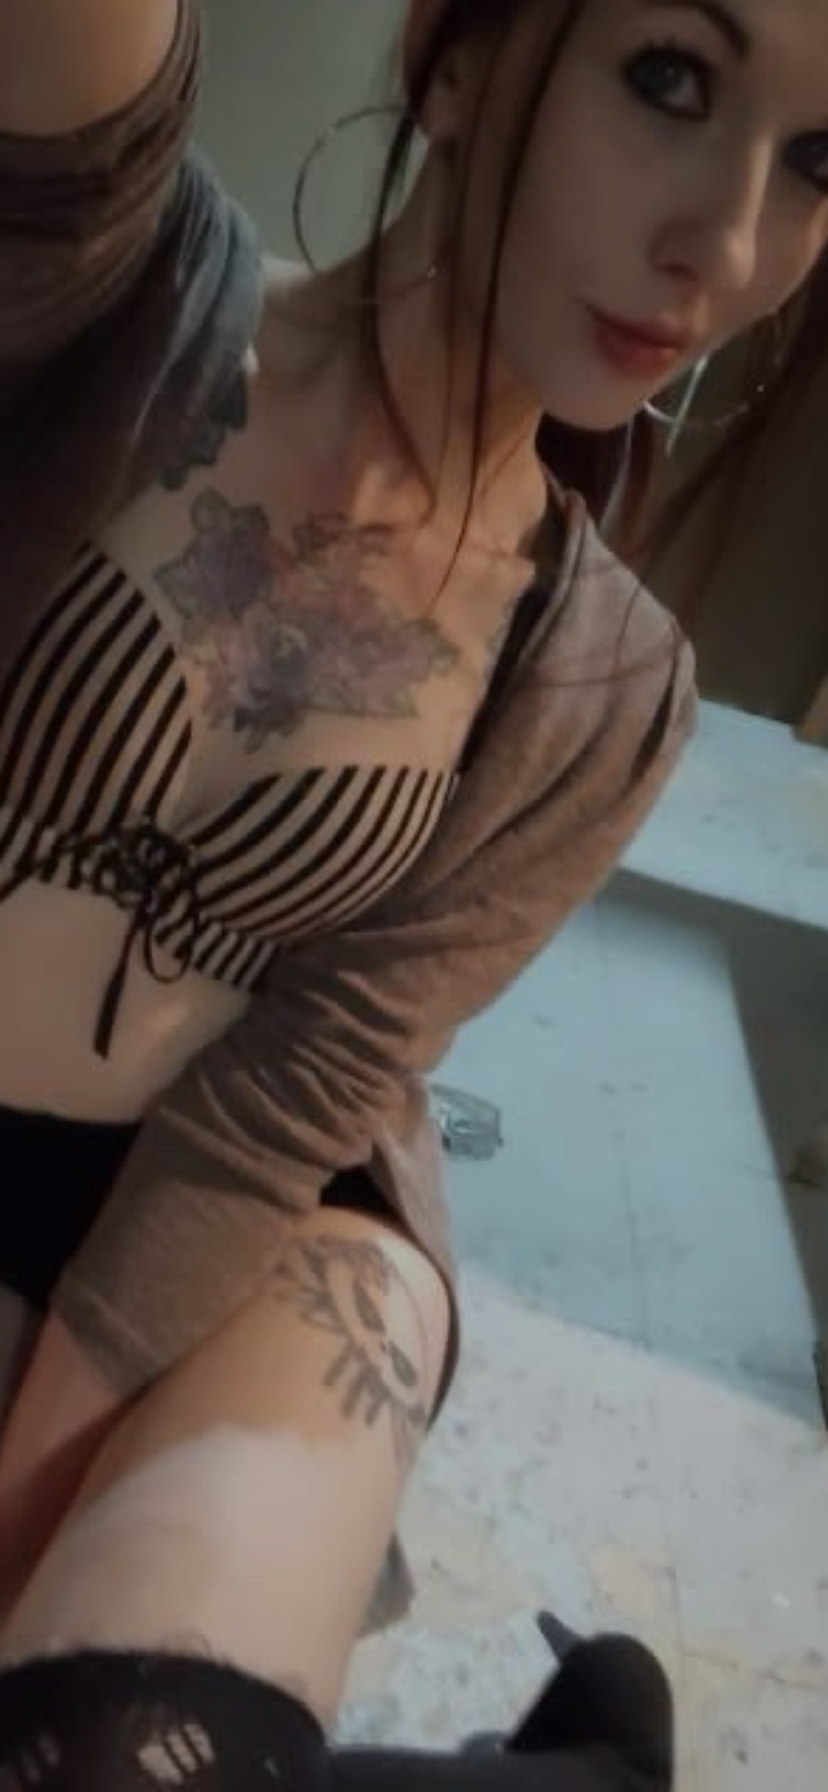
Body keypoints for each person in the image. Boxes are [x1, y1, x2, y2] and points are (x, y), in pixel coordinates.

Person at [0, 0, 825, 1785]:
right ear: (455, 61)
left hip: (276, 1209)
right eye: (671, 79)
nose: (729, 244)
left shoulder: (607, 685)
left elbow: (297, 1091)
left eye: (819, 164)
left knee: (118, 1755)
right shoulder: (119, 283)